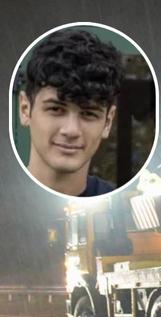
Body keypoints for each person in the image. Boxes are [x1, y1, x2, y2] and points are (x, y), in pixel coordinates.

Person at [18, 29, 122, 197]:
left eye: (88, 114)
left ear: (108, 122)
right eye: (56, 109)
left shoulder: (122, 209)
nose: (71, 130)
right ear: (25, 109)